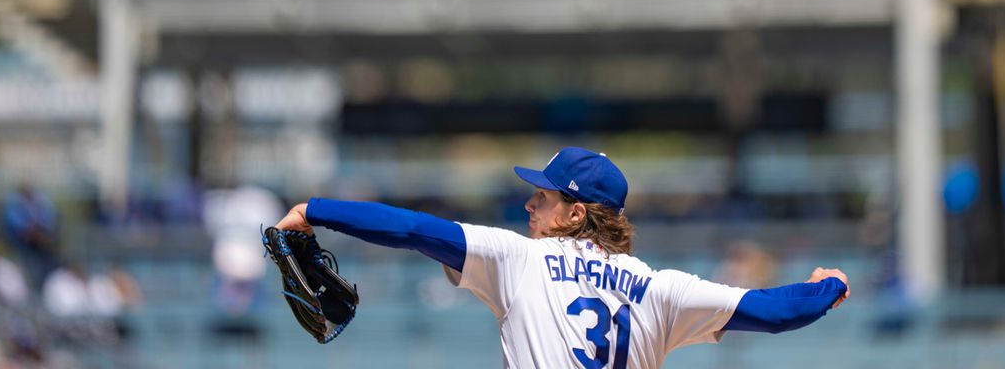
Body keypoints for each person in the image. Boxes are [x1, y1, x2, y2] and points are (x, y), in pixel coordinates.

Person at [275, 147, 850, 368]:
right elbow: (776, 313)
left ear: (576, 213)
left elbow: (411, 229)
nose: (529, 203)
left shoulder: (520, 259)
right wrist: (829, 285)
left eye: (543, 195)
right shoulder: (660, 289)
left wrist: (314, 208)